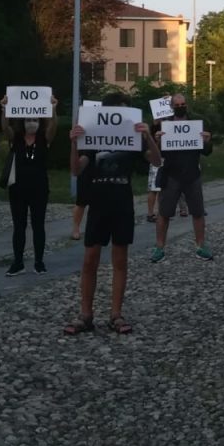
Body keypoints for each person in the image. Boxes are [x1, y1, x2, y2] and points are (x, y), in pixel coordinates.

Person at [64, 92, 161, 335]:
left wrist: (148, 137)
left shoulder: (133, 137)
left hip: (122, 201)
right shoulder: (93, 137)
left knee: (120, 259)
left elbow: (157, 162)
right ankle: (86, 314)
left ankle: (115, 314)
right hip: (98, 200)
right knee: (90, 259)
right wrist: (74, 143)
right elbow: (76, 170)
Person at [0, 94, 58, 276]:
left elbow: (53, 128)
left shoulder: (43, 139)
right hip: (18, 188)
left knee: (38, 224)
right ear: (22, 121)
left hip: (39, 188)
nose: (31, 122)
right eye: (28, 119)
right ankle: (18, 262)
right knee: (19, 225)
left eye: (35, 119)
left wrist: (53, 109)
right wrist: (4, 109)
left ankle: (39, 261)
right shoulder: (15, 138)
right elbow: (5, 128)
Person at [151, 92, 215, 262]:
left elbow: (207, 151)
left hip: (192, 174)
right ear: (172, 106)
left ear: (187, 105)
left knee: (198, 212)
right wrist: (157, 140)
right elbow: (157, 154)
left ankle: (201, 246)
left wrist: (207, 140)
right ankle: (159, 247)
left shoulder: (196, 124)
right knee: (164, 213)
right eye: (177, 105)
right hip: (171, 174)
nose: (180, 107)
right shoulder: (164, 125)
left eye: (183, 104)